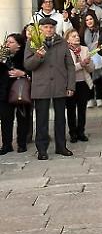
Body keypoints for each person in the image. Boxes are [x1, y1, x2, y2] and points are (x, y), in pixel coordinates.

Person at [24, 17, 76, 160]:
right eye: (46, 27)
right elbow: (28, 65)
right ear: (40, 29)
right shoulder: (32, 43)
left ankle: (61, 146)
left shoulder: (62, 42)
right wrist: (37, 56)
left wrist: (70, 85)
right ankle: (42, 149)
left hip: (60, 85)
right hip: (41, 87)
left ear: (54, 29)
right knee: (41, 119)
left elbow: (70, 66)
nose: (49, 30)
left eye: (51, 27)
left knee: (60, 118)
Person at [0, 34, 31, 154]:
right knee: (6, 119)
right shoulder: (3, 56)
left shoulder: (25, 55)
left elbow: (32, 70)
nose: (7, 44)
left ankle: (22, 143)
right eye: (7, 42)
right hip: (4, 92)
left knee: (22, 118)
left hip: (20, 90)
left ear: (19, 45)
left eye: (11, 42)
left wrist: (22, 73)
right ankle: (6, 145)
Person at [65, 29, 94, 143]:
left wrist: (87, 63)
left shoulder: (85, 49)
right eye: (73, 36)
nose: (77, 37)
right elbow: (68, 69)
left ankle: (81, 131)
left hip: (83, 83)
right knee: (71, 109)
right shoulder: (65, 50)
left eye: (77, 35)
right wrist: (80, 64)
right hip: (71, 84)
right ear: (67, 39)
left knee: (82, 109)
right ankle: (72, 133)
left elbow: (91, 68)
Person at [81, 11, 102, 107]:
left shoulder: (101, 30)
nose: (89, 21)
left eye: (91, 19)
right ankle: (90, 98)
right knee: (88, 78)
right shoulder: (82, 32)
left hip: (100, 56)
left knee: (99, 78)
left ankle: (99, 97)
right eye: (87, 20)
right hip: (87, 57)